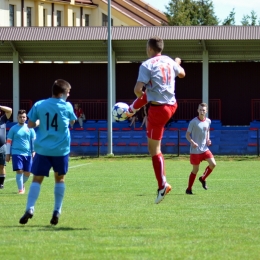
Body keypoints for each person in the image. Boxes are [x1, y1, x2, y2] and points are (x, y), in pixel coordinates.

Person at [126, 36, 185, 204]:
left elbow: (138, 89)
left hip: (159, 110)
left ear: (150, 49)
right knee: (155, 146)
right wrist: (177, 63)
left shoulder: (146, 65)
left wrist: (138, 103)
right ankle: (162, 183)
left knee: (154, 150)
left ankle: (162, 185)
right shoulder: (168, 61)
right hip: (172, 105)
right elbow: (182, 74)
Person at [19, 79, 77, 226]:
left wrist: (39, 122)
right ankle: (57, 210)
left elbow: (30, 124)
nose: (69, 95)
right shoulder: (67, 106)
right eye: (68, 93)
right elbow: (72, 122)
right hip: (61, 149)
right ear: (62, 93)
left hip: (43, 149)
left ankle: (30, 208)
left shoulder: (40, 104)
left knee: (36, 180)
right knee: (60, 179)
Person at [185, 103, 216, 195]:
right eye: (200, 110)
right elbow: (187, 135)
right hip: (195, 150)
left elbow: (207, 131)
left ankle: (202, 178)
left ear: (206, 111)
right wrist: (193, 142)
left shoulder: (208, 121)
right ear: (197, 110)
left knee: (213, 164)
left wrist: (208, 140)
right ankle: (189, 189)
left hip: (205, 149)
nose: (202, 111)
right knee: (195, 170)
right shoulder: (193, 122)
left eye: (203, 110)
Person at [5, 109, 36, 194]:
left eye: (24, 117)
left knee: (27, 173)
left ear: (26, 118)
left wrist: (34, 151)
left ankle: (21, 184)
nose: (22, 118)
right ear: (17, 118)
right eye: (20, 117)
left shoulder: (30, 128)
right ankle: (20, 190)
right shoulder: (13, 129)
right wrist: (8, 153)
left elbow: (33, 140)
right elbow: (9, 142)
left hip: (28, 153)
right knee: (19, 171)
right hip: (16, 153)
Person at [0, 105, 12, 189]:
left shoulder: (2, 119)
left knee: (2, 165)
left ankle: (1, 183)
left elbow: (10, 110)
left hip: (1, 146)